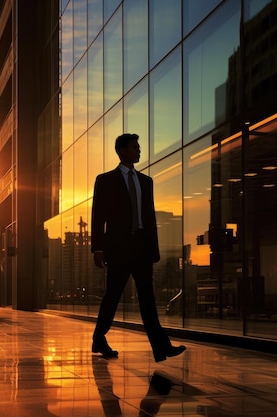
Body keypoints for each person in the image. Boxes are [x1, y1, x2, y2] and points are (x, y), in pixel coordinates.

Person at [91, 133, 186, 362]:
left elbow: (149, 218)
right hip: (118, 248)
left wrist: (153, 250)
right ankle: (99, 338)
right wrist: (98, 248)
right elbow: (98, 216)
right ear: (122, 151)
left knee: (147, 299)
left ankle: (161, 347)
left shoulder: (146, 181)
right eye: (134, 147)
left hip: (141, 248)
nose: (139, 151)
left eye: (139, 147)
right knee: (112, 296)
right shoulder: (105, 180)